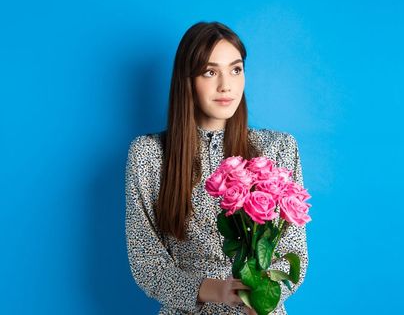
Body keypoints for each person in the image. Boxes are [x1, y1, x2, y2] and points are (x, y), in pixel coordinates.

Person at [125, 21, 309, 314]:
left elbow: (293, 252)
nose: (226, 85)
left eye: (236, 69)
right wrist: (216, 290)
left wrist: (262, 297)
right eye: (210, 72)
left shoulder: (278, 149)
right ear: (187, 80)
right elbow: (146, 261)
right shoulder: (148, 155)